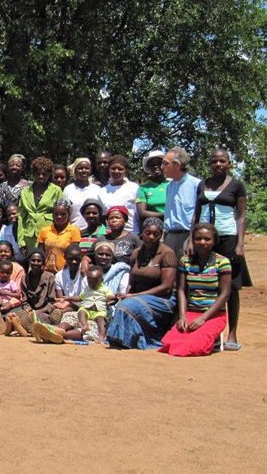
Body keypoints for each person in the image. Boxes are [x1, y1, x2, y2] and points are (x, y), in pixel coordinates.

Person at [193, 148, 251, 350]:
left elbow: (241, 216)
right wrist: (192, 239)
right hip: (203, 239)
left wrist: (240, 244)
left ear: (228, 163)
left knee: (232, 287)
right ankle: (212, 332)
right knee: (205, 283)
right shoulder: (203, 183)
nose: (218, 164)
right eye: (214, 161)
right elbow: (197, 212)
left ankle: (232, 333)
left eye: (222, 161)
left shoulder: (236, 185)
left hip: (228, 238)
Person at [159, 223, 231, 357]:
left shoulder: (222, 262)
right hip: (191, 313)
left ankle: (215, 340)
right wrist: (182, 316)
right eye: (198, 238)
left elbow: (225, 294)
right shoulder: (185, 261)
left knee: (191, 348)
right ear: (192, 240)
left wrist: (203, 318)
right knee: (169, 344)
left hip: (213, 315)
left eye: (207, 239)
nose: (202, 242)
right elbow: (181, 289)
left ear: (214, 241)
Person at [107, 217, 178, 349]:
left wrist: (134, 296)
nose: (151, 237)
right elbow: (131, 283)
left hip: (163, 300)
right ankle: (125, 339)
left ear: (161, 235)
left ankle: (135, 340)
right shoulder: (136, 253)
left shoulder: (167, 253)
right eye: (147, 233)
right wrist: (125, 295)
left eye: (156, 234)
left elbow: (167, 287)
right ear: (142, 234)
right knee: (122, 305)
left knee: (128, 305)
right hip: (139, 298)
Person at [3, 248, 56, 337]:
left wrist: (38, 312)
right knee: (16, 314)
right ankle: (22, 329)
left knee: (44, 317)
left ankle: (24, 330)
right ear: (29, 261)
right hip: (29, 312)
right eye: (33, 260)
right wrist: (28, 309)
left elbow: (51, 302)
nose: (36, 263)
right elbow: (24, 300)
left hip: (44, 311)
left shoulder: (50, 277)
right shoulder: (25, 278)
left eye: (39, 261)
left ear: (43, 263)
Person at [17, 157, 64, 253]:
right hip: (30, 236)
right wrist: (21, 241)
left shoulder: (56, 190)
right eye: (38, 174)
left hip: (50, 233)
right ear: (33, 174)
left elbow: (63, 214)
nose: (41, 176)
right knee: (34, 264)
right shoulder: (25, 192)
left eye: (44, 174)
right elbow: (21, 217)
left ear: (49, 175)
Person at [162, 147, 201, 258]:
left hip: (188, 236)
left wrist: (192, 239)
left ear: (177, 165)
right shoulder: (169, 186)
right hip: (170, 237)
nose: (162, 167)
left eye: (165, 163)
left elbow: (199, 214)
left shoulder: (196, 185)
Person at [98, 155, 139, 233]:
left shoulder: (134, 188)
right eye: (113, 168)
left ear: (125, 171)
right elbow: (103, 216)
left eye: (120, 169)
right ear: (109, 170)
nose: (116, 171)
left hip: (131, 232)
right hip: (110, 233)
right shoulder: (102, 191)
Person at [38, 199, 81, 274]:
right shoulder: (44, 230)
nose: (59, 217)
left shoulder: (74, 231)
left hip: (64, 273)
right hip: (46, 272)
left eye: (63, 214)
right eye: (56, 214)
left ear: (69, 214)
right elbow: (40, 252)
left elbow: (74, 253)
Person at [77, 265, 114, 343]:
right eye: (89, 281)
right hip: (87, 309)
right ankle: (84, 325)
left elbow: (110, 296)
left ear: (101, 279)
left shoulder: (105, 289)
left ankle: (101, 337)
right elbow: (79, 298)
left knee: (101, 321)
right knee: (81, 311)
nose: (92, 283)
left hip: (99, 312)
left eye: (95, 281)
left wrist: (113, 298)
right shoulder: (86, 289)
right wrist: (67, 298)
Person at [63, 157, 101, 231]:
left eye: (87, 168)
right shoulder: (68, 189)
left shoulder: (97, 189)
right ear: (75, 170)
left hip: (95, 233)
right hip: (73, 231)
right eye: (80, 168)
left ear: (90, 170)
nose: (84, 170)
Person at [136, 150, 167, 225]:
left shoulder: (173, 184)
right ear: (148, 167)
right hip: (153, 227)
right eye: (152, 164)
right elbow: (142, 212)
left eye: (159, 163)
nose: (156, 166)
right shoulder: (143, 188)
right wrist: (165, 214)